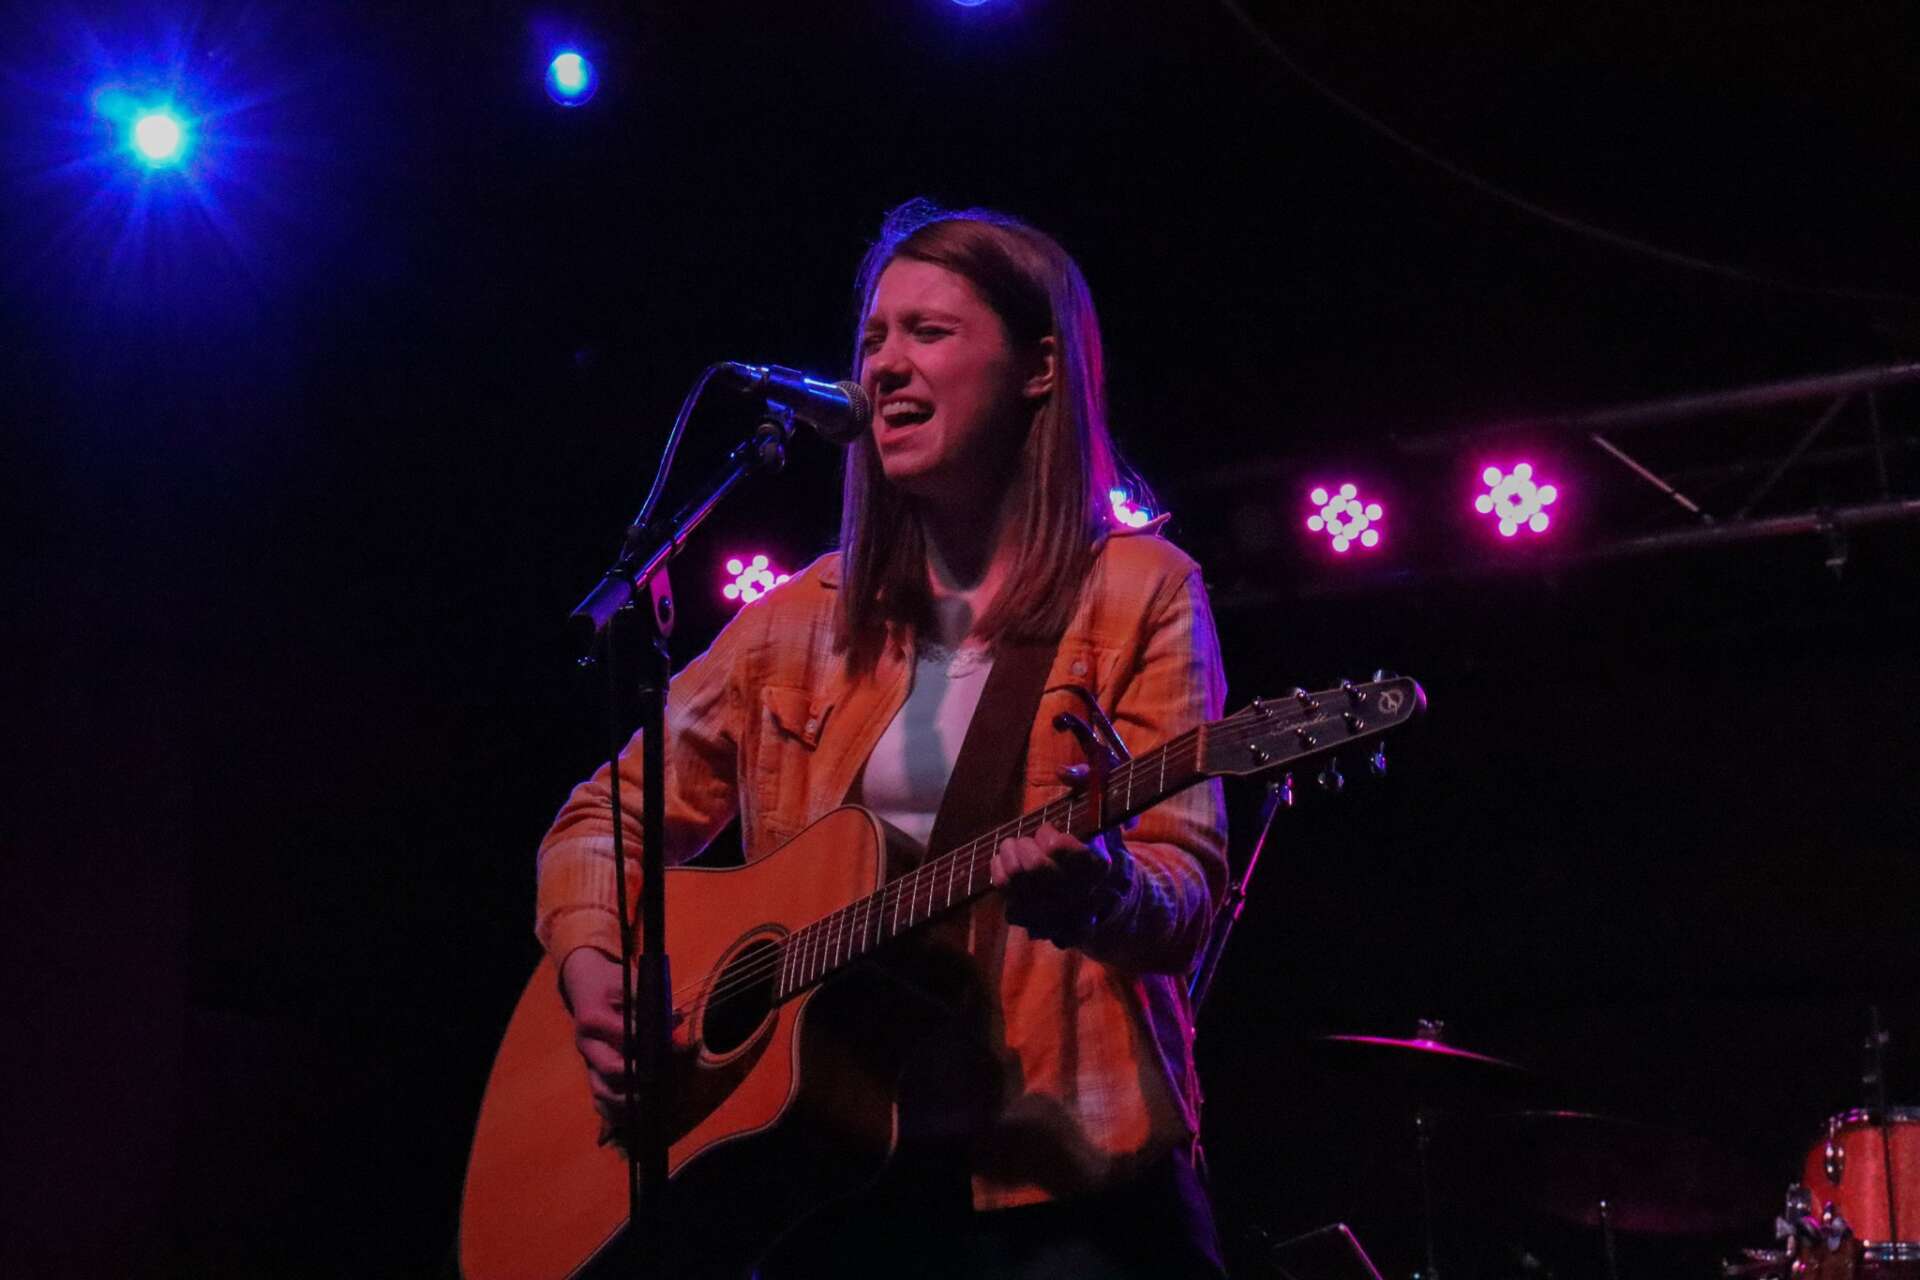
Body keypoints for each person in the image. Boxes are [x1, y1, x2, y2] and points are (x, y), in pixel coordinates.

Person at [534, 199, 1230, 1278]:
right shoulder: (799, 620)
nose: (885, 365)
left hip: (1060, 1182)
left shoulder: (1140, 590)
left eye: (929, 332)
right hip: (833, 1186)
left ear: (1040, 367)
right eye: (872, 339)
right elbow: (600, 818)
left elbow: (1185, 884)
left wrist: (1102, 894)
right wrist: (592, 966)